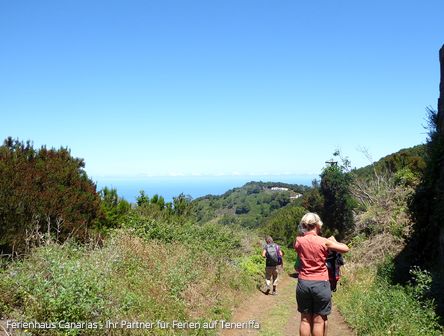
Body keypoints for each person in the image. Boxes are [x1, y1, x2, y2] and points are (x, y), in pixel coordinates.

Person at [294, 213, 349, 336]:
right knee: (318, 321)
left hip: (303, 283)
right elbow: (345, 249)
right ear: (318, 225)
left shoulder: (298, 241)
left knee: (304, 319)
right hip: (321, 283)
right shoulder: (324, 242)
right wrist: (333, 241)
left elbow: (300, 247)